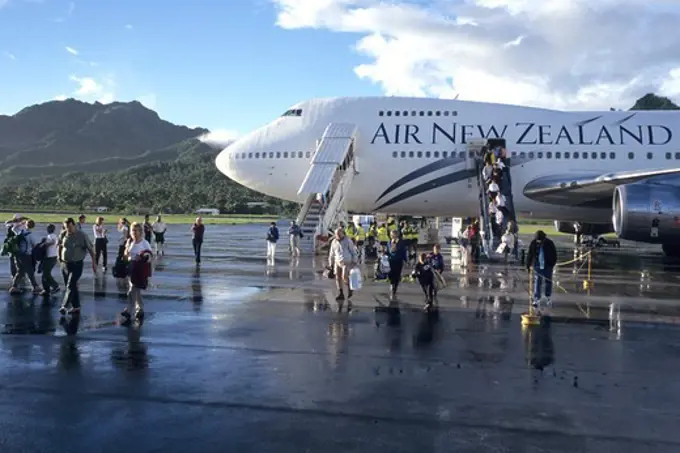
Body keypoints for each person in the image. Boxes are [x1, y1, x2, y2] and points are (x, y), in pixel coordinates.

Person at [57, 218, 96, 315]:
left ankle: (64, 306)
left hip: (77, 264)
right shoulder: (63, 234)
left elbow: (91, 250)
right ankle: (76, 306)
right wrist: (59, 257)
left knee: (71, 285)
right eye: (66, 227)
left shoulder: (81, 235)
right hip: (65, 264)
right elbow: (60, 245)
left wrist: (94, 263)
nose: (68, 229)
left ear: (74, 225)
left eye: (70, 227)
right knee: (70, 286)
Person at [121, 222, 153, 322]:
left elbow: (150, 256)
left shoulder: (144, 243)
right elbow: (125, 257)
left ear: (140, 231)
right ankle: (140, 309)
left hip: (140, 269)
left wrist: (143, 257)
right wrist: (126, 250)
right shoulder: (130, 242)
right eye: (132, 230)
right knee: (136, 290)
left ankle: (129, 311)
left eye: (136, 230)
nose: (134, 232)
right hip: (131, 268)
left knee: (132, 290)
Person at [526, 230, 557, 308]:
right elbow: (530, 254)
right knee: (537, 281)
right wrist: (528, 266)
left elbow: (554, 255)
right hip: (537, 264)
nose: (539, 241)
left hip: (548, 265)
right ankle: (537, 298)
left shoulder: (549, 243)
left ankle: (548, 297)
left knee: (548, 281)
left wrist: (551, 264)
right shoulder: (533, 243)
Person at [8, 219, 40, 295]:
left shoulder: (20, 232)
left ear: (26, 225)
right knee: (30, 271)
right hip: (26, 256)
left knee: (20, 271)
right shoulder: (31, 235)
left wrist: (20, 223)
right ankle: (35, 287)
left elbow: (13, 228)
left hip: (18, 255)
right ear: (33, 226)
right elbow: (35, 245)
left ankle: (14, 287)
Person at [328, 227, 357, 301]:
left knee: (344, 277)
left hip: (346, 261)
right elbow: (331, 254)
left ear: (343, 233)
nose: (338, 235)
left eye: (339, 234)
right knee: (338, 278)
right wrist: (331, 264)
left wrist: (354, 261)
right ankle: (341, 293)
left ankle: (350, 288)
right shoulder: (334, 242)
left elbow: (353, 251)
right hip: (337, 261)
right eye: (336, 234)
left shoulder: (347, 240)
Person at [385, 229, 408, 300]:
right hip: (391, 261)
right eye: (391, 235)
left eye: (393, 235)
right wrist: (384, 254)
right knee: (391, 274)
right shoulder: (389, 242)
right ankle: (392, 284)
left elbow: (404, 251)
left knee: (397, 274)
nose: (392, 237)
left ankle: (394, 288)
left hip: (398, 260)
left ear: (397, 235)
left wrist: (406, 260)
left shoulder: (401, 242)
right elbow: (388, 251)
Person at [40, 224, 60, 297]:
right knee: (44, 275)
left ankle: (55, 286)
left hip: (50, 257)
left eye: (49, 228)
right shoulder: (52, 236)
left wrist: (44, 244)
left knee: (46, 274)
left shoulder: (52, 236)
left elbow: (53, 242)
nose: (48, 229)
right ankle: (46, 290)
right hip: (51, 256)